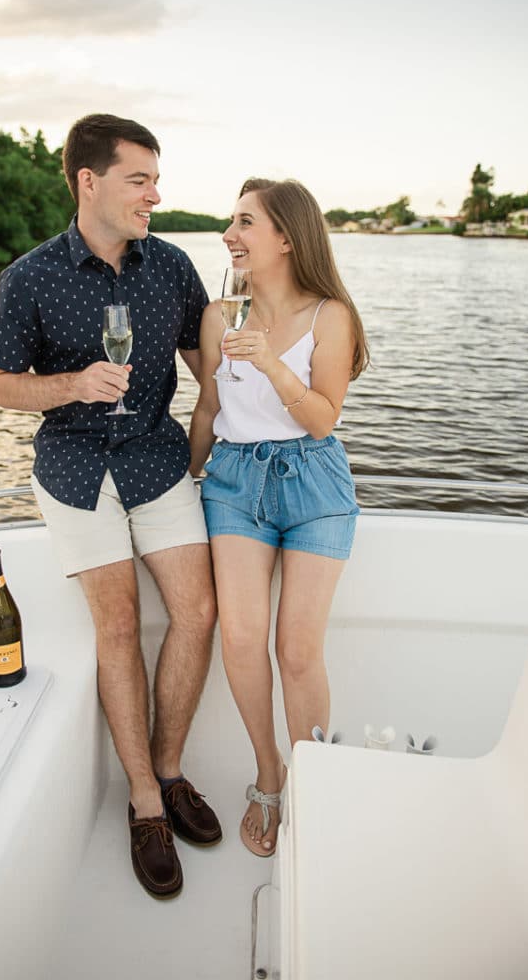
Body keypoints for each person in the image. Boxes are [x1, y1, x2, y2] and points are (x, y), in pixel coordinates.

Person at [0, 114, 220, 900]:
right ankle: (146, 804)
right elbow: (2, 385)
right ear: (90, 183)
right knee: (117, 625)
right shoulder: (29, 277)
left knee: (198, 612)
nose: (156, 193)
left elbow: (209, 366)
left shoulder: (173, 267)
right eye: (140, 179)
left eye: (155, 178)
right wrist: (74, 384)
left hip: (158, 461)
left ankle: (170, 767)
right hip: (75, 467)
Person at [189, 177, 368, 856]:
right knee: (240, 638)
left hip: (313, 480)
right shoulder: (218, 317)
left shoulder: (330, 316)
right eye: (230, 223)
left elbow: (323, 418)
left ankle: (314, 783)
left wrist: (269, 362)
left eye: (244, 223)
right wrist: (186, 478)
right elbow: (208, 411)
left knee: (296, 650)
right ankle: (268, 775)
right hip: (233, 481)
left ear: (288, 238)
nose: (229, 235)